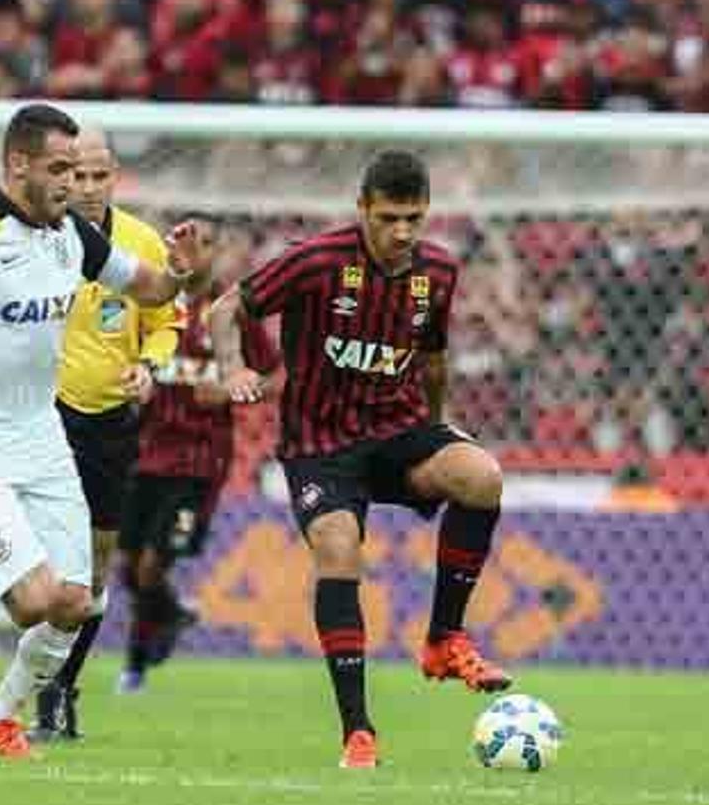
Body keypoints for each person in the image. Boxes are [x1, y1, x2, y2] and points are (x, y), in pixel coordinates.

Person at [0, 103, 209, 758]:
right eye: (59, 169)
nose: (72, 185)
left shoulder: (71, 238)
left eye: (79, 171)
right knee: (34, 598)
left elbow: (152, 288)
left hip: (41, 438)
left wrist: (180, 270)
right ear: (18, 164)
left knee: (78, 601)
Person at [207, 150, 510, 770]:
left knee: (482, 476)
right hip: (321, 445)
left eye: (415, 218)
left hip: (397, 431)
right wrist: (233, 366)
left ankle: (444, 639)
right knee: (340, 548)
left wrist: (436, 428)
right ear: (362, 210)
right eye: (390, 218)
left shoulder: (439, 272)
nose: (403, 232)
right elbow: (223, 310)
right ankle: (359, 732)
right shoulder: (318, 261)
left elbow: (431, 360)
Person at [31, 127, 181, 743]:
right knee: (36, 570)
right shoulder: (33, 237)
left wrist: (151, 366)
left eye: (99, 177)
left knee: (91, 577)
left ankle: (60, 688)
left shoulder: (141, 243)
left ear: (114, 177)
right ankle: (11, 674)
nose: (87, 188)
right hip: (38, 416)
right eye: (76, 175)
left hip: (111, 425)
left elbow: (167, 325)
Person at [116, 218, 269, 693]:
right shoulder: (150, 300)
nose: (194, 251)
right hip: (143, 454)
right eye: (184, 241)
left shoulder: (232, 311)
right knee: (125, 563)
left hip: (199, 464)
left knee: (151, 565)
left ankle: (136, 663)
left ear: (218, 252)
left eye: (204, 243)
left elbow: (274, 376)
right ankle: (172, 614)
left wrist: (228, 391)